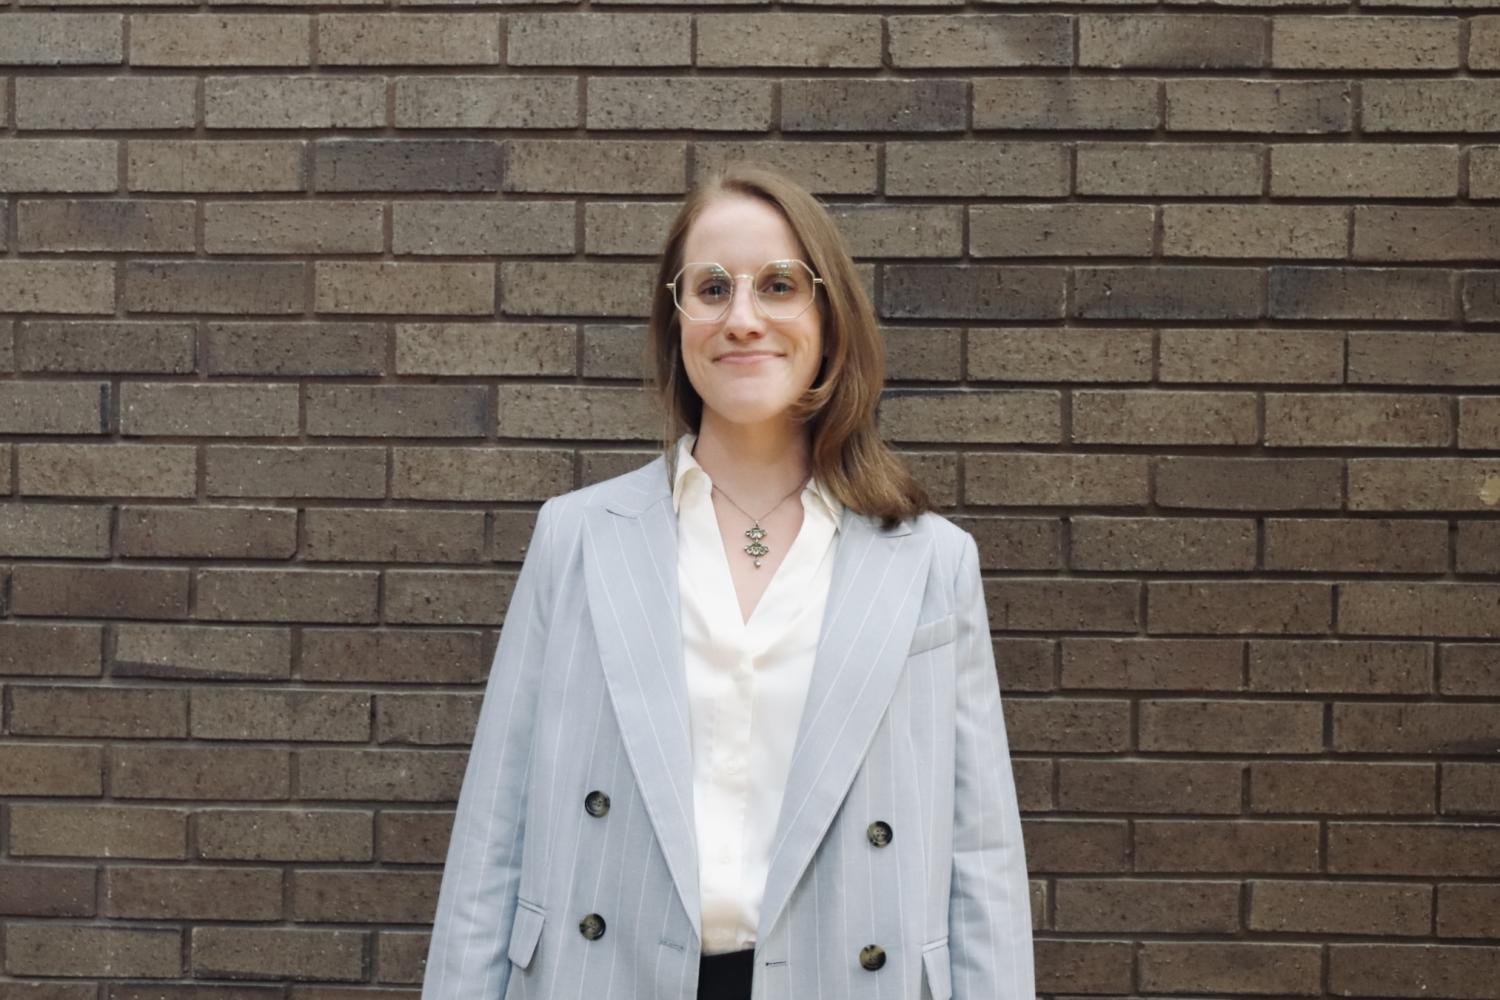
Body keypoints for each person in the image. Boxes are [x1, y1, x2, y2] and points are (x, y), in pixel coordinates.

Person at [422, 164, 1034, 1000]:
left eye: (779, 285)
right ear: (677, 322)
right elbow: (493, 834)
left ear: (827, 317)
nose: (743, 317)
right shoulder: (576, 538)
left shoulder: (931, 561)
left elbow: (981, 860)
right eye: (711, 287)